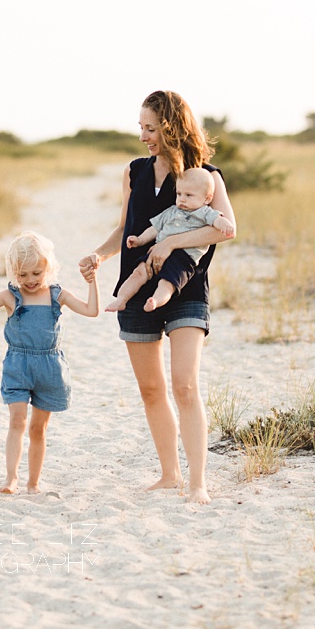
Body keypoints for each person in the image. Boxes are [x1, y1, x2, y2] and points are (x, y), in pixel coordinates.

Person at [79, 91, 236, 505]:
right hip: (135, 287)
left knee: (185, 385)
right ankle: (170, 475)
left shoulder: (206, 175)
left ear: (171, 127)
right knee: (151, 389)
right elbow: (124, 228)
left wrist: (171, 245)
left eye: (150, 128)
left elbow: (225, 228)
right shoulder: (134, 171)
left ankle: (198, 482)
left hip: (185, 288)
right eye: (141, 128)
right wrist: (99, 254)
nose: (143, 136)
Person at [0, 231, 100, 494]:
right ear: (13, 271)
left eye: (36, 273)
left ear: (48, 267)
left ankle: (33, 483)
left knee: (38, 429)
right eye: (22, 275)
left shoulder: (57, 295)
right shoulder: (10, 296)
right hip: (18, 366)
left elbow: (91, 310)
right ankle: (11, 478)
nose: (30, 280)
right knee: (17, 420)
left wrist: (92, 282)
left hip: (49, 368)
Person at [106, 167, 235, 313]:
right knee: (138, 273)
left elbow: (218, 221)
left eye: (189, 195)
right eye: (179, 194)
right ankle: (121, 300)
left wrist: (225, 225)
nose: (182, 199)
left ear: (207, 198)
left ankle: (156, 300)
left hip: (183, 258)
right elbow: (155, 229)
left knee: (167, 283)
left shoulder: (205, 213)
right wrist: (140, 240)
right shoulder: (172, 211)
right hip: (156, 252)